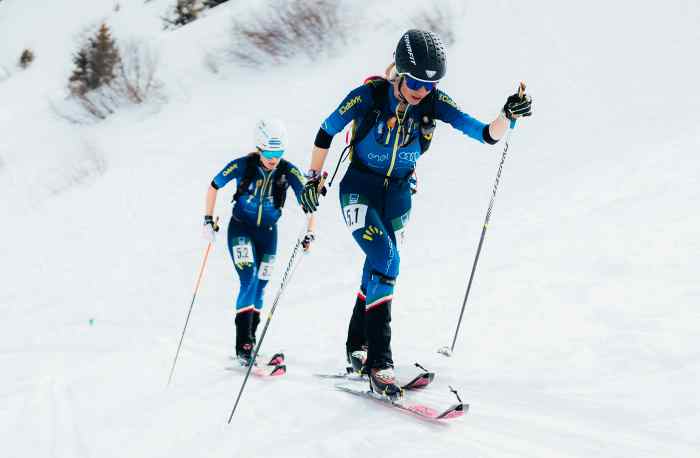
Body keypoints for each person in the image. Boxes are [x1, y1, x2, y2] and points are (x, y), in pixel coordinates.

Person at [299, 30, 532, 399]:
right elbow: (326, 131)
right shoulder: (369, 96)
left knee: (377, 267)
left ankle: (357, 348)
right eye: (414, 81)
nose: (421, 90)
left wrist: (507, 114)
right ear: (399, 72)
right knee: (387, 261)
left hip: (399, 196)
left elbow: (486, 134)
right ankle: (380, 363)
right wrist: (313, 177)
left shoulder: (434, 102)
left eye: (430, 84)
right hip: (359, 188)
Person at [203, 119, 315, 366]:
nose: (274, 158)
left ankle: (251, 342)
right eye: (269, 153)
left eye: (279, 153)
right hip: (241, 228)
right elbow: (214, 185)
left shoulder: (288, 171)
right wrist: (207, 220)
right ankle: (243, 344)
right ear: (259, 148)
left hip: (268, 233)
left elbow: (308, 201)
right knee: (249, 278)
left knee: (262, 285)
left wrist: (310, 232)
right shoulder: (243, 165)